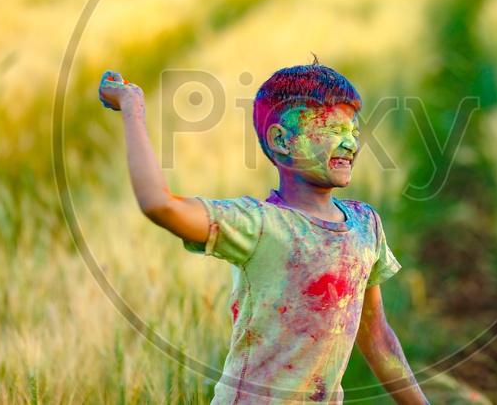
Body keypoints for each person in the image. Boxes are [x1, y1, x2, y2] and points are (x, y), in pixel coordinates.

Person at [98, 60, 428, 404]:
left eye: (354, 132)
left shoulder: (365, 225)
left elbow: (376, 335)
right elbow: (160, 205)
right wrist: (132, 108)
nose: (350, 144)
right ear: (281, 140)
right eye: (333, 130)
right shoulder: (258, 224)